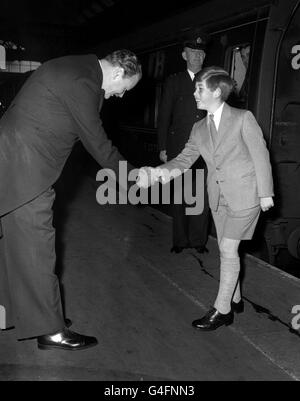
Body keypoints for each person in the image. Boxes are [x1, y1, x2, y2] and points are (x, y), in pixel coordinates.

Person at [0, 49, 142, 350]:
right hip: (27, 168)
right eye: (124, 89)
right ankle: (50, 331)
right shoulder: (83, 81)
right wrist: (134, 177)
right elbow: (97, 143)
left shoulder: (80, 68)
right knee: (38, 247)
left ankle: (10, 315)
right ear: (118, 73)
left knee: (14, 245)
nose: (119, 96)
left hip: (16, 162)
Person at [138, 66, 274, 331]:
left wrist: (266, 192)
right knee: (227, 248)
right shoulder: (199, 127)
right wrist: (157, 173)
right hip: (219, 196)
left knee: (227, 249)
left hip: (246, 195)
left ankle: (222, 311)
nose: (195, 94)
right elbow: (184, 160)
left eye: (199, 89)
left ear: (215, 91)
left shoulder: (243, 118)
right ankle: (235, 299)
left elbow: (261, 155)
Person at [157, 36, 210, 254]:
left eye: (201, 53)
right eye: (193, 52)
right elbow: (164, 117)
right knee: (178, 195)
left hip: (205, 146)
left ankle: (198, 240)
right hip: (178, 147)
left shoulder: (210, 79)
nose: (197, 56)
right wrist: (163, 147)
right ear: (184, 55)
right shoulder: (174, 81)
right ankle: (179, 240)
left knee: (202, 195)